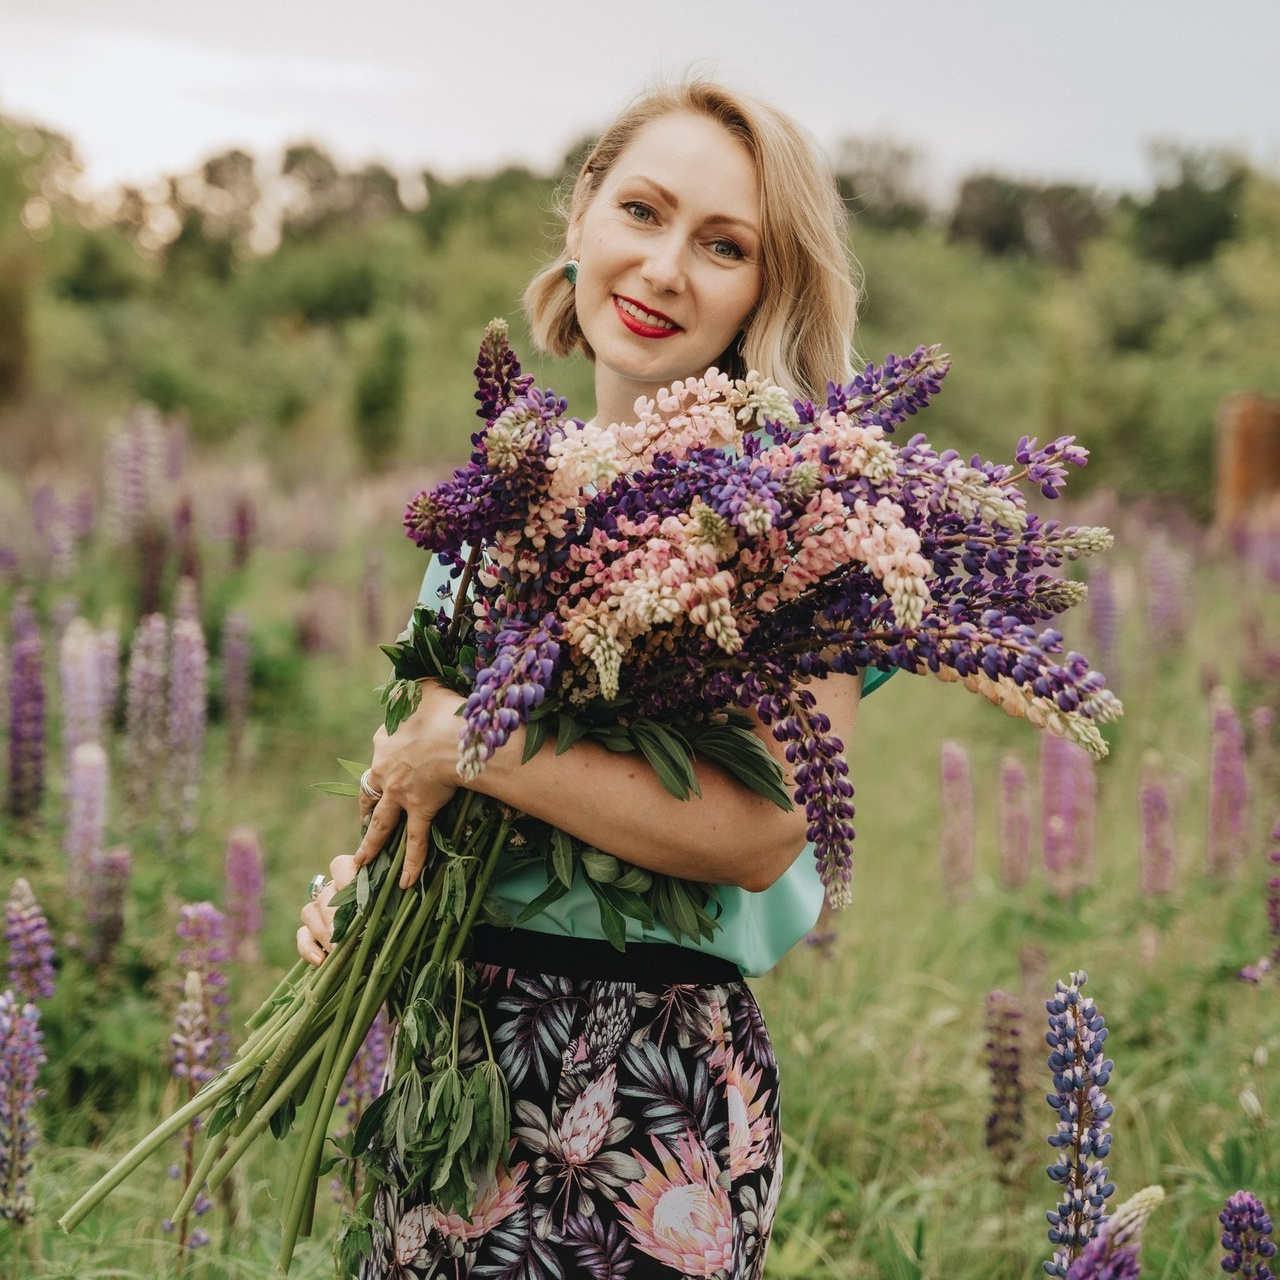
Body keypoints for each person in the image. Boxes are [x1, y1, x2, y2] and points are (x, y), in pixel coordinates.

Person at [298, 78, 892, 1280]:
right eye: (641, 210)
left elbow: (765, 828)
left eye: (723, 245)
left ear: (763, 290)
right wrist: (359, 891)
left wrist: (479, 743)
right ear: (580, 217)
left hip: (647, 1085)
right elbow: (422, 777)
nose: (666, 266)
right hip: (452, 1063)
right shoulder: (489, 504)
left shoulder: (801, 520)